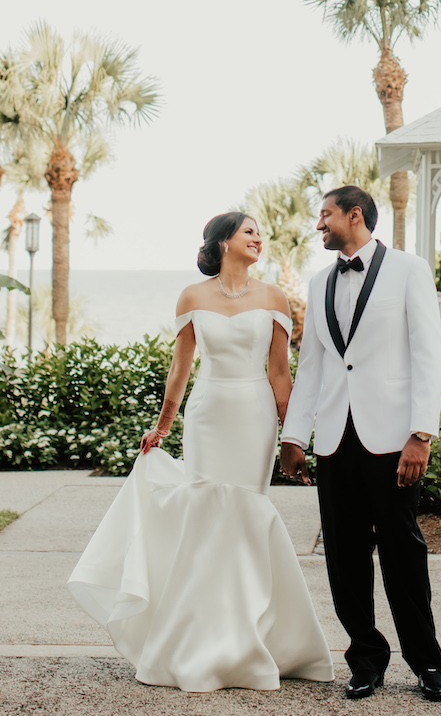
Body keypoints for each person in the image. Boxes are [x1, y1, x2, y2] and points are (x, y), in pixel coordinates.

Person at [68, 212, 334, 693]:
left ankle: (255, 638)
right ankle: (195, 639)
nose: (258, 238)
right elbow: (181, 368)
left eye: (260, 232)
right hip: (208, 414)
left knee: (246, 515)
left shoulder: (274, 297)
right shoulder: (193, 297)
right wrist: (163, 425)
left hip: (253, 416)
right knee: (207, 515)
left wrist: (292, 437)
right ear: (224, 242)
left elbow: (280, 374)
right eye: (249, 231)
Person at [280, 186, 441, 702]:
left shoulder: (408, 269)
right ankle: (365, 659)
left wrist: (420, 434)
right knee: (344, 556)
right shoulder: (319, 281)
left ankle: (427, 663)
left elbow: (427, 353)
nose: (319, 225)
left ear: (355, 215)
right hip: (335, 440)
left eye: (325, 215)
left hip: (393, 438)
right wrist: (294, 436)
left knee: (403, 552)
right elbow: (312, 364)